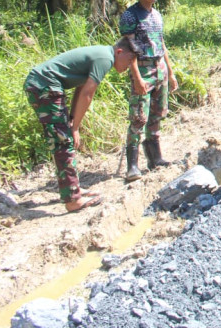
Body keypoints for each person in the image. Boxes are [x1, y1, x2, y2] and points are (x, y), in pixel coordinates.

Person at [23, 38, 138, 212]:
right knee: (63, 141)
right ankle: (72, 200)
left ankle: (73, 190)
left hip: (45, 85)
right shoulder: (105, 58)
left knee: (64, 138)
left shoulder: (103, 54)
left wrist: (71, 119)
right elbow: (87, 93)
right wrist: (75, 128)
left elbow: (81, 88)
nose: (129, 66)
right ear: (119, 52)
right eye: (129, 60)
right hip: (44, 85)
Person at [119, 0, 179, 182]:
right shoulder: (130, 16)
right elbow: (129, 49)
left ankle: (155, 158)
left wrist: (170, 73)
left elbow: (162, 44)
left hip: (159, 66)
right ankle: (132, 166)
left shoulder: (157, 15)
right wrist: (136, 77)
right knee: (138, 117)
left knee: (157, 114)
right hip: (142, 68)